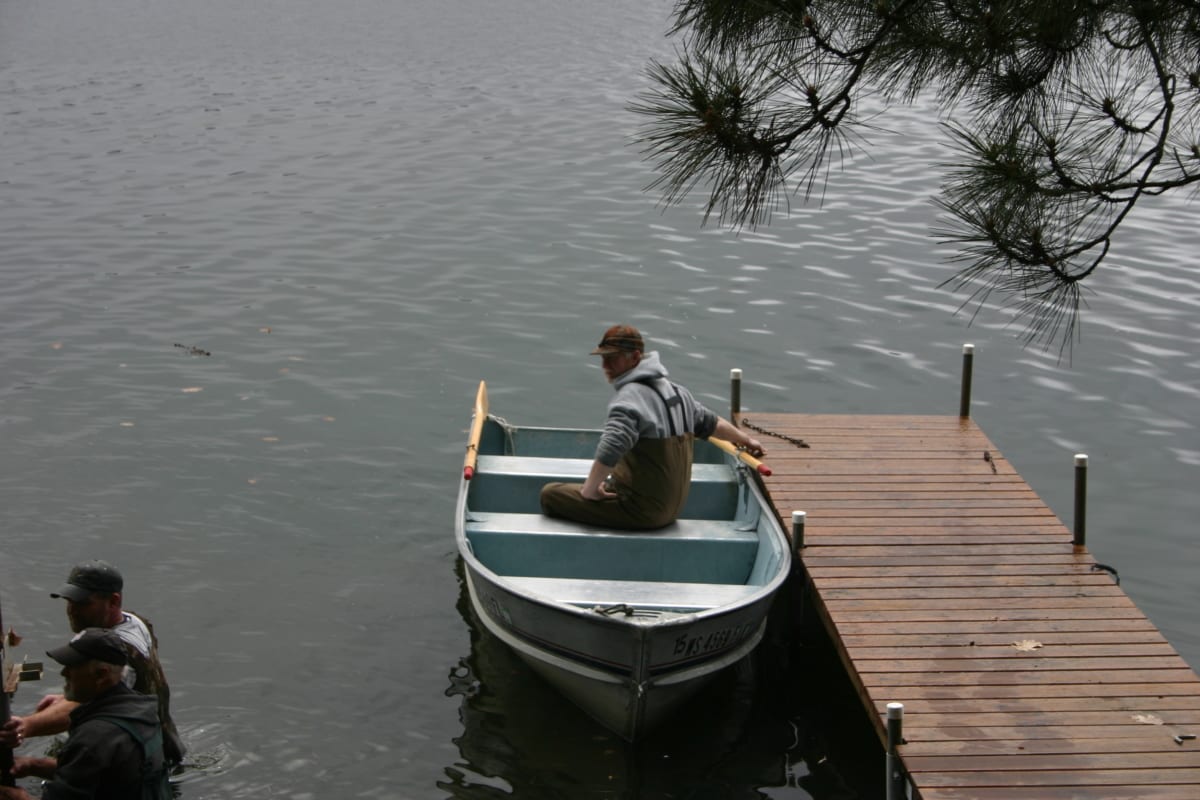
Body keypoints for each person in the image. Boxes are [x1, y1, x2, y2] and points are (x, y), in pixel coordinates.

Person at [540, 324, 765, 529]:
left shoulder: (628, 399)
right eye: (603, 359)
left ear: (635, 357)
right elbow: (710, 422)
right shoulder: (677, 392)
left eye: (613, 359)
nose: (605, 366)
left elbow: (611, 447)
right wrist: (745, 440)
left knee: (550, 494)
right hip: (673, 509)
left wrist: (589, 491)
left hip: (641, 512)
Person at [0, 562, 184, 766]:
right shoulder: (135, 621)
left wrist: (24, 726)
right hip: (158, 742)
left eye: (83, 603)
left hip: (143, 758)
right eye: (69, 601)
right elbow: (119, 688)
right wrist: (66, 695)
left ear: (114, 601)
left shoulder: (119, 654)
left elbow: (78, 707)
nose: (72, 610)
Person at [0, 628, 170, 800]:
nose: (63, 673)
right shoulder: (141, 709)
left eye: (72, 666)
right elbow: (98, 773)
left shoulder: (94, 737)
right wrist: (34, 766)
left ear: (101, 675)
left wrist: (19, 798)